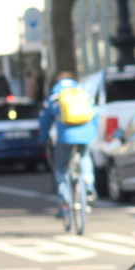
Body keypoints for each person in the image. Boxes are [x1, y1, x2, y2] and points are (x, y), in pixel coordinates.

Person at [38, 72, 98, 219]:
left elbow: (45, 119)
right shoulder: (83, 93)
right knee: (84, 157)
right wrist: (93, 134)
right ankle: (88, 183)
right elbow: (95, 113)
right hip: (86, 134)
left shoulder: (54, 96)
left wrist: (43, 138)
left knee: (62, 168)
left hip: (65, 136)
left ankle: (64, 202)